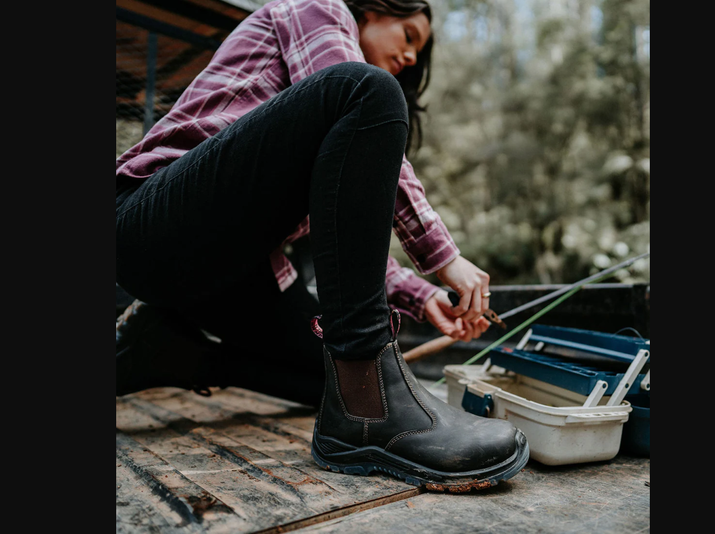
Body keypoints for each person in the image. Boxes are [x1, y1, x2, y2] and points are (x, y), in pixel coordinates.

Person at [115, 0, 529, 491]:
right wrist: (444, 256)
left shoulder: (321, 132)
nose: (412, 57)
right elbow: (355, 88)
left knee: (339, 385)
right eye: (409, 35)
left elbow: (333, 233)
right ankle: (369, 386)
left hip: (228, 270)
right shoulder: (319, 9)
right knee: (368, 88)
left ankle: (172, 353)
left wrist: (423, 295)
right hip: (149, 224)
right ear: (375, 9)